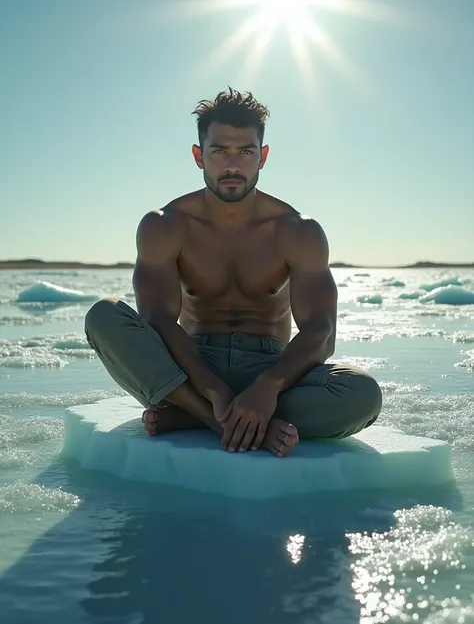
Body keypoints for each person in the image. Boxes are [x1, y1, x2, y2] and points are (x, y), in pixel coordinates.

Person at [85, 88, 382, 458]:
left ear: (263, 156)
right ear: (198, 156)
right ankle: (218, 418)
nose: (232, 165)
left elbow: (322, 331)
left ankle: (195, 416)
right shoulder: (165, 226)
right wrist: (211, 389)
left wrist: (268, 386)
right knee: (103, 314)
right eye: (219, 150)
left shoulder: (297, 231)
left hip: (271, 364)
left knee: (362, 393)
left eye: (245, 152)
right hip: (190, 367)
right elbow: (158, 320)